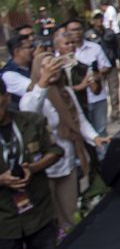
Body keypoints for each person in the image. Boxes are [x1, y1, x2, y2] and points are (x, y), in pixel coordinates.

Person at [20, 52, 109, 237]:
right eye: (47, 66)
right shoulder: (32, 95)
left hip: (67, 161)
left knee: (70, 214)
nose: (53, 69)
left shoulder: (66, 92)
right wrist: (43, 82)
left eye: (55, 65)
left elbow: (80, 121)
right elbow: (29, 113)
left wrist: (94, 138)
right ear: (38, 70)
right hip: (43, 168)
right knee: (52, 217)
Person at [0, 77, 63, 249]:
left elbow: (55, 151)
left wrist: (33, 168)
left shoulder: (32, 121)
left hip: (39, 213)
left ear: (7, 97)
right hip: (4, 222)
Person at [65, 19, 111, 137]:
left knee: (101, 131)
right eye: (72, 30)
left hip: (97, 97)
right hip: (77, 100)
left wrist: (96, 74)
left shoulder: (95, 47)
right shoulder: (63, 54)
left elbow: (106, 66)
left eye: (78, 29)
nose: (76, 32)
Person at [84, 11, 120, 123]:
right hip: (97, 68)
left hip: (111, 65)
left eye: (100, 18)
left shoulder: (110, 33)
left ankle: (115, 114)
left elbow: (117, 48)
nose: (99, 20)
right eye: (96, 18)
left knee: (114, 91)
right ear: (92, 20)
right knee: (99, 92)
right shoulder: (88, 35)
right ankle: (101, 116)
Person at [0, 35, 33, 110]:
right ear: (17, 51)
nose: (33, 50)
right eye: (29, 47)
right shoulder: (8, 74)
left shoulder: (31, 64)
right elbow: (33, 89)